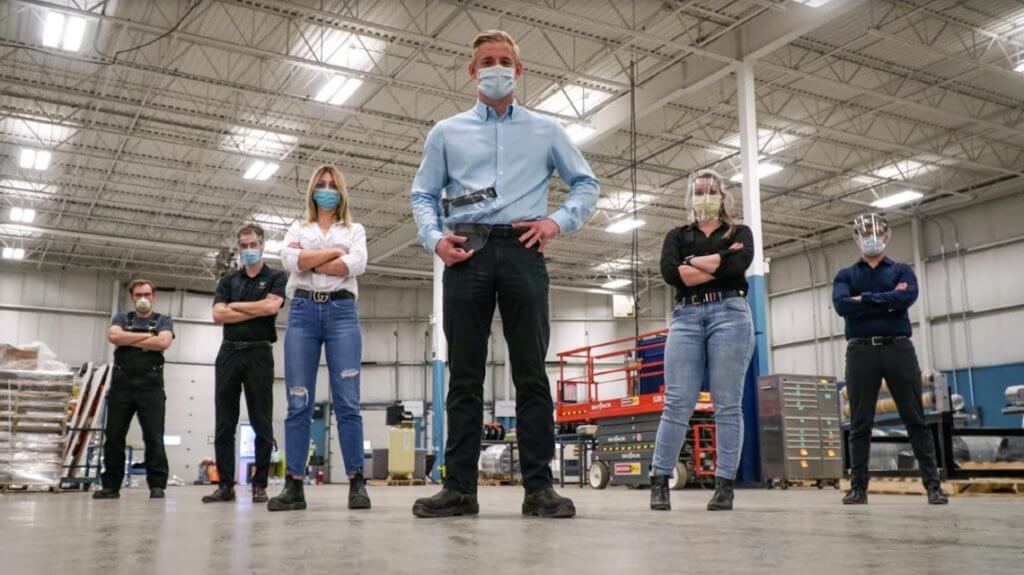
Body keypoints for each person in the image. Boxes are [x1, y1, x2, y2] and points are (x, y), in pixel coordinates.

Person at [409, 30, 599, 519]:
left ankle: (540, 489)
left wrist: (555, 222)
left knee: (532, 374)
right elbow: (423, 195)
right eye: (487, 62)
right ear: (473, 72)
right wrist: (435, 240)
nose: (496, 68)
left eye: (504, 61)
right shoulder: (445, 132)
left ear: (519, 70)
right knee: (464, 377)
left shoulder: (546, 130)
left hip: (523, 250)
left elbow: (585, 183)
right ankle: (459, 490)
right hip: (466, 251)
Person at [650, 169, 754, 512]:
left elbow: (739, 265)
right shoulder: (676, 234)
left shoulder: (741, 233)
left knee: (727, 403)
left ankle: (724, 485)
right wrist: (720, 261)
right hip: (686, 318)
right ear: (690, 196)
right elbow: (670, 273)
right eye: (699, 190)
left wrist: (692, 263)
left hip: (731, 314)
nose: (705, 196)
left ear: (724, 196)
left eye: (711, 190)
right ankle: (659, 481)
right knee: (677, 402)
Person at [268, 164, 370, 512]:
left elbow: (355, 265)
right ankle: (294, 485)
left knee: (348, 403)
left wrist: (310, 261)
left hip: (342, 314)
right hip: (303, 314)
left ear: (341, 192)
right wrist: (332, 254)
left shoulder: (355, 229)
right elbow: (288, 260)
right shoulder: (298, 227)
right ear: (311, 190)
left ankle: (357, 481)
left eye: (332, 185)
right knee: (298, 401)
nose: (326, 189)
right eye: (321, 184)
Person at [832, 212, 948, 505]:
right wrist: (885, 300)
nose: (871, 236)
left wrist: (864, 299)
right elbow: (842, 306)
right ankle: (858, 488)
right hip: (860, 352)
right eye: (865, 231)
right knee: (859, 423)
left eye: (876, 231)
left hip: (899, 349)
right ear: (856, 237)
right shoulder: (845, 275)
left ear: (886, 235)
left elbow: (906, 298)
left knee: (915, 419)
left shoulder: (902, 271)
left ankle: (933, 486)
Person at [202, 223, 287, 504]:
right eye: (244, 246)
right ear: (239, 248)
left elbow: (271, 307)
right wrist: (254, 308)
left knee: (261, 420)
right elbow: (217, 315)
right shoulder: (228, 280)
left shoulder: (276, 277)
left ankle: (259, 484)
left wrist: (234, 307)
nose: (249, 250)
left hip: (259, 353)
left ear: (262, 244)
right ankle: (225, 485)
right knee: (224, 421)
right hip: (229, 353)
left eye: (253, 244)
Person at [93, 279, 175, 500]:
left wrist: (129, 339)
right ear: (132, 297)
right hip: (122, 384)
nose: (143, 299)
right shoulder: (121, 317)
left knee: (154, 437)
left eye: (147, 295)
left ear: (153, 296)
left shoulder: (164, 320)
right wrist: (149, 337)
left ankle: (157, 485)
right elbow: (113, 336)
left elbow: (164, 343)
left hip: (151, 385)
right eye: (139, 295)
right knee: (114, 435)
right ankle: (111, 486)